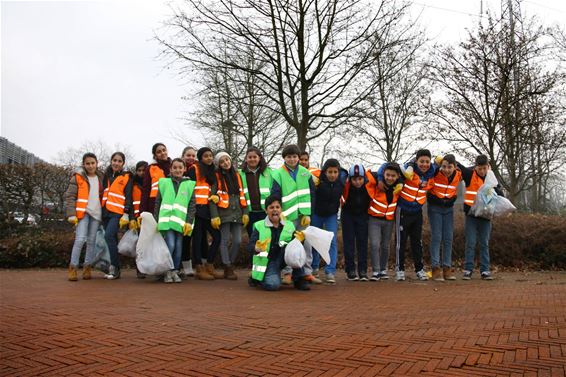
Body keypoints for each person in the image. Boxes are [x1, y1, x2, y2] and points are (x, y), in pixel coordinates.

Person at [386, 149, 436, 281]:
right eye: (421, 161)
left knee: (417, 242)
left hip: (417, 212)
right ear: (416, 161)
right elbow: (390, 169)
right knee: (400, 242)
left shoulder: (432, 174)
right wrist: (409, 165)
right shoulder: (408, 171)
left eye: (427, 161)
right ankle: (399, 270)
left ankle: (419, 269)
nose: (424, 164)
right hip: (403, 210)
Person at [271, 144, 317, 285]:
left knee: (307, 244)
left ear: (298, 157)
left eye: (294, 156)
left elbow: (312, 194)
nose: (292, 159)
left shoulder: (305, 172)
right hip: (286, 217)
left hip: (303, 217)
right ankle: (287, 273)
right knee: (285, 244)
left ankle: (307, 272)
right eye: (289, 157)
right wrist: (278, 213)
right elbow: (275, 194)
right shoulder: (278, 173)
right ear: (284, 158)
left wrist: (309, 214)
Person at [247, 195, 310, 291]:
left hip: (283, 257)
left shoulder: (289, 225)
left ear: (281, 210)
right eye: (271, 207)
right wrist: (257, 248)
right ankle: (257, 279)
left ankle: (299, 279)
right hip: (269, 261)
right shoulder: (259, 226)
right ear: (266, 210)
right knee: (273, 285)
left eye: (277, 207)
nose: (275, 210)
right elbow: (249, 247)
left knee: (296, 252)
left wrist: (300, 240)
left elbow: (295, 246)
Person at [458, 155, 502, 280]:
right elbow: (458, 165)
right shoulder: (469, 174)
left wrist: (495, 189)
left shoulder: (491, 178)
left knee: (484, 243)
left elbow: (500, 194)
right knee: (470, 242)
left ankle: (485, 270)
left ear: (488, 167)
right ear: (475, 166)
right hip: (471, 215)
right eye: (479, 168)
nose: (482, 171)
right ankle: (468, 270)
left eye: (484, 168)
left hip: (486, 216)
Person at [154, 158, 196, 283]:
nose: (177, 170)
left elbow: (192, 205)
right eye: (175, 167)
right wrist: (156, 220)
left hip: (181, 222)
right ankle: (167, 270)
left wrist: (189, 221)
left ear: (184, 169)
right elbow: (158, 203)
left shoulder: (189, 185)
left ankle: (175, 270)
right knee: (170, 245)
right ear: (170, 169)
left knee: (179, 247)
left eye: (180, 167)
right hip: (166, 222)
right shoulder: (164, 183)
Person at [209, 152, 249, 280]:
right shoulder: (216, 177)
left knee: (237, 240)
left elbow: (243, 194)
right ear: (218, 165)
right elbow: (213, 198)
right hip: (223, 213)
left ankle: (229, 263)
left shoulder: (237, 175)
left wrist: (246, 212)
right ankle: (228, 267)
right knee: (224, 240)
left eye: (226, 159)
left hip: (237, 212)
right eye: (222, 161)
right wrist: (214, 215)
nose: (225, 163)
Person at [65, 153, 104, 281]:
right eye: (88, 163)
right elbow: (70, 196)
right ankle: (73, 267)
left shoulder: (101, 177)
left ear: (97, 163)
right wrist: (71, 214)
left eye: (93, 163)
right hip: (83, 212)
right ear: (84, 164)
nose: (91, 165)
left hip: (96, 213)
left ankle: (87, 267)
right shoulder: (78, 177)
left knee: (91, 241)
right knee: (80, 239)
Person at [187, 147, 222, 280]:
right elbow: (189, 189)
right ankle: (199, 268)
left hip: (208, 209)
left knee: (216, 237)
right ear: (201, 157)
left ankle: (209, 265)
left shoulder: (213, 171)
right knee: (197, 239)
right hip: (196, 209)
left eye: (210, 156)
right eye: (206, 156)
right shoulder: (194, 169)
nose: (209, 158)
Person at [311, 158, 347, 284]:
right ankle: (313, 267)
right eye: (330, 172)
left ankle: (330, 271)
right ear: (325, 172)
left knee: (332, 242)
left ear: (338, 172)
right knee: (315, 241)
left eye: (335, 172)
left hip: (331, 215)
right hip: (317, 214)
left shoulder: (342, 181)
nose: (332, 175)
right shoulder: (317, 181)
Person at [427, 154, 462, 281]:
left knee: (448, 238)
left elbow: (472, 170)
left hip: (448, 209)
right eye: (444, 166)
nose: (446, 170)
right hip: (435, 208)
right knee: (437, 237)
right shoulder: (435, 172)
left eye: (449, 167)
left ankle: (447, 268)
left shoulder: (458, 174)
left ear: (455, 167)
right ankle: (435, 268)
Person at [366, 163, 403, 281]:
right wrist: (380, 178)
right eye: (387, 175)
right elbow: (368, 174)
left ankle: (383, 269)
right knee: (375, 244)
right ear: (384, 174)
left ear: (397, 177)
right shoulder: (378, 183)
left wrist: (401, 181)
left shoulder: (399, 187)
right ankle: (376, 271)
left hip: (389, 221)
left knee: (386, 246)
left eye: (393, 176)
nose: (390, 178)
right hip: (374, 219)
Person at [101, 152, 134, 280]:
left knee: (108, 236)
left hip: (117, 212)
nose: (116, 163)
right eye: (114, 160)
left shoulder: (127, 177)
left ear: (123, 164)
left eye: (119, 161)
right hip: (105, 212)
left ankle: (114, 267)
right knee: (112, 239)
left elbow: (128, 196)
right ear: (111, 161)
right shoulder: (106, 176)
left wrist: (126, 213)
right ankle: (115, 269)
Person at [340, 164, 372, 281]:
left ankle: (362, 270)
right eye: (354, 179)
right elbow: (340, 171)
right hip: (347, 215)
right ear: (350, 178)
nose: (357, 182)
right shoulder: (345, 183)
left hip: (363, 215)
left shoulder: (369, 184)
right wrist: (344, 175)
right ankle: (350, 270)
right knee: (349, 243)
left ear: (364, 178)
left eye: (360, 179)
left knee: (362, 242)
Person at [239, 147, 273, 237]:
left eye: (255, 157)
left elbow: (274, 191)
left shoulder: (269, 172)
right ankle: (254, 252)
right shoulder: (240, 173)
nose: (252, 159)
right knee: (253, 237)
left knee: (266, 237)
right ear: (246, 159)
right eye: (250, 157)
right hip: (249, 212)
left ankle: (266, 252)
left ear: (259, 158)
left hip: (265, 212)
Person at [180, 146, 198, 278]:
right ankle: (176, 266)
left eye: (193, 155)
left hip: (191, 208)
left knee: (187, 237)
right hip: (177, 209)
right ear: (183, 156)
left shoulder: (197, 169)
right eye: (188, 155)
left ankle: (187, 266)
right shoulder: (177, 168)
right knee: (175, 239)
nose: (191, 158)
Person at [140, 143, 171, 215]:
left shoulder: (174, 166)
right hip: (155, 205)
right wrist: (142, 211)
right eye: (159, 152)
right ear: (155, 155)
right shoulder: (151, 168)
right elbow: (146, 190)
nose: (162, 153)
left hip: (171, 203)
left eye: (164, 150)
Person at [132, 160, 148, 279]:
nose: (141, 173)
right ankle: (139, 269)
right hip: (137, 219)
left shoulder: (151, 183)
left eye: (144, 170)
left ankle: (148, 267)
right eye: (139, 170)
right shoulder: (132, 184)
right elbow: (130, 202)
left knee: (149, 244)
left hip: (149, 218)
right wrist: (132, 217)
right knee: (139, 245)